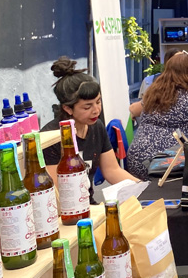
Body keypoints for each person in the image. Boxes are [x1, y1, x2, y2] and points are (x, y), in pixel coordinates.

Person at [41, 58, 141, 195]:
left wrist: (141, 187)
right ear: (68, 108)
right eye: (87, 106)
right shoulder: (50, 138)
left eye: (98, 102)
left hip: (90, 205)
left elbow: (112, 170)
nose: (96, 110)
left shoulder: (96, 127)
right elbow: (57, 192)